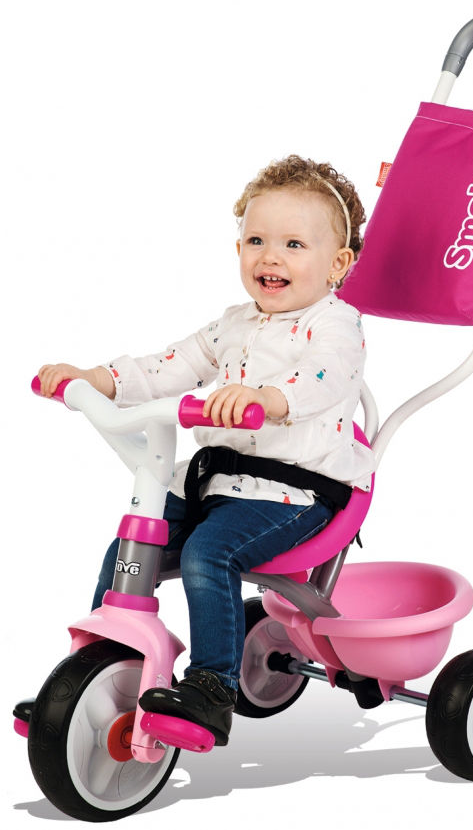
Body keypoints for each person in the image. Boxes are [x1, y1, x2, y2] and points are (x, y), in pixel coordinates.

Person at [34, 155, 375, 747]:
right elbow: (168, 366)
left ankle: (214, 686)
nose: (270, 257)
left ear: (338, 264)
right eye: (256, 241)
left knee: (206, 554)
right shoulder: (234, 324)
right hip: (215, 485)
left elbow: (326, 376)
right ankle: (102, 667)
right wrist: (93, 379)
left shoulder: (336, 324)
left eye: (294, 244)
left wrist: (267, 398)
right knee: (131, 545)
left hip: (296, 492)